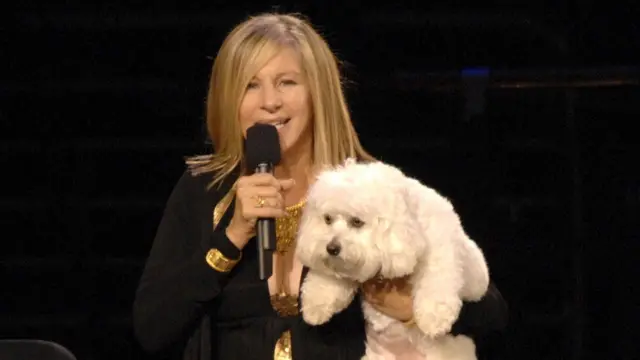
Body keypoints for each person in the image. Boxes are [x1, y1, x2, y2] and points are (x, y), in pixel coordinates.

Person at [132, 12, 508, 360]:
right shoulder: (204, 190)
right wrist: (230, 236)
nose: (270, 102)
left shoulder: (369, 186)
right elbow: (153, 328)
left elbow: (490, 312)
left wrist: (413, 308)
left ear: (317, 93)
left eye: (286, 83)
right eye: (250, 86)